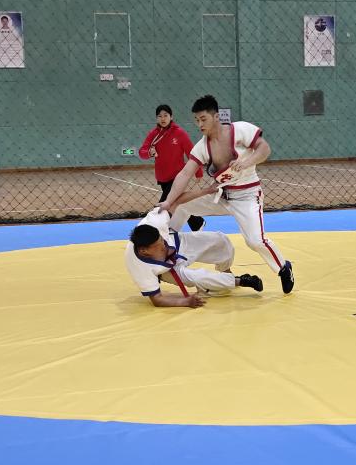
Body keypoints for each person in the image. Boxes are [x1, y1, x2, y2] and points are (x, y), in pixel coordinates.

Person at [158, 95, 295, 294]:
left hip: (247, 196)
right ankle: (165, 244)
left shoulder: (240, 129)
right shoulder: (202, 146)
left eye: (203, 119)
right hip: (221, 195)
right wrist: (168, 201)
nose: (200, 124)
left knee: (255, 241)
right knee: (180, 204)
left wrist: (245, 163)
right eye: (196, 120)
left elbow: (264, 149)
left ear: (216, 116)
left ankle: (283, 267)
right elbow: (185, 173)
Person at [125, 208, 263, 309]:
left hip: (178, 243)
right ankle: (240, 281)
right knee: (198, 276)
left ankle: (225, 274)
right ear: (144, 251)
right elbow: (157, 299)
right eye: (159, 247)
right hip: (166, 271)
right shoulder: (139, 267)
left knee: (220, 240)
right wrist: (184, 302)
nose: (163, 246)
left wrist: (205, 191)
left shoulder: (155, 221)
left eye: (162, 241)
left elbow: (175, 202)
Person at [139, 104, 203, 231]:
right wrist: (149, 153)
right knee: (177, 202)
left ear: (171, 117)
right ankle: (198, 223)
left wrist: (198, 172)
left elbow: (192, 153)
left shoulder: (179, 133)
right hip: (162, 177)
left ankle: (156, 228)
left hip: (178, 176)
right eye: (159, 116)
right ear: (156, 118)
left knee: (163, 204)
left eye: (165, 115)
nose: (163, 118)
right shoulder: (153, 134)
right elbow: (142, 152)